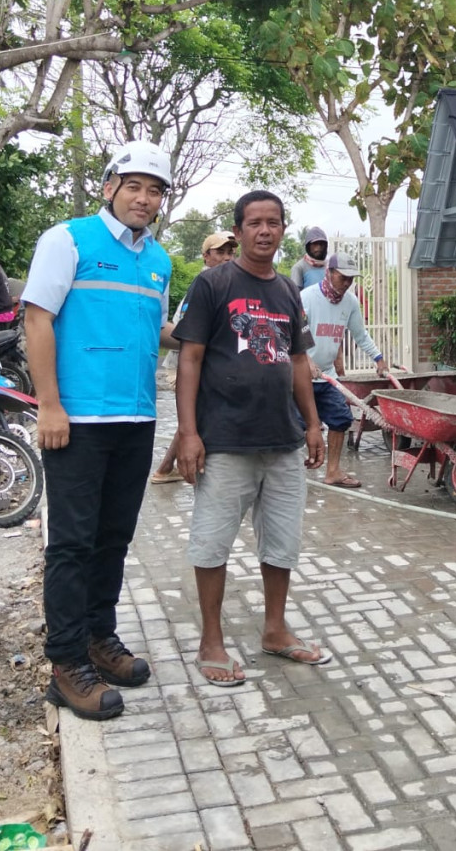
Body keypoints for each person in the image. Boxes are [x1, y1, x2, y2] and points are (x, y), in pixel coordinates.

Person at [22, 140, 175, 720]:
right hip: (77, 420)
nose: (143, 197)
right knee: (71, 544)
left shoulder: (157, 260)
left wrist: (210, 334)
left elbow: (160, 332)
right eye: (134, 185)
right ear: (109, 185)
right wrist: (49, 406)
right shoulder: (67, 240)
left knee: (113, 538)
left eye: (154, 189)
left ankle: (97, 637)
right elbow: (38, 319)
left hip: (136, 419)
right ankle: (64, 663)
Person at [173, 190, 328, 686]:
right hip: (224, 439)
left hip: (281, 439)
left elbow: (299, 361)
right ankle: (211, 641)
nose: (265, 231)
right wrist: (189, 433)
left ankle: (275, 629)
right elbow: (190, 359)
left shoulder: (286, 290)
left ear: (284, 230)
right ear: (237, 230)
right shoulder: (212, 284)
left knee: (281, 542)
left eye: (274, 222)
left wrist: (312, 423)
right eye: (255, 223)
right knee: (212, 542)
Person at [151, 230, 237, 484]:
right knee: (194, 418)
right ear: (205, 256)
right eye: (219, 252)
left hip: (202, 365)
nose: (226, 258)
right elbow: (185, 332)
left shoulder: (225, 284)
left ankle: (167, 469)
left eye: (230, 252)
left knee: (196, 417)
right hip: (184, 365)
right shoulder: (204, 284)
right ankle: (167, 468)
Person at [300, 253, 387, 489]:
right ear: (329, 273)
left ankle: (333, 471)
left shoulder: (350, 302)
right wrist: (306, 359)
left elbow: (360, 334)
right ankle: (289, 476)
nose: (347, 283)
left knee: (340, 418)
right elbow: (298, 330)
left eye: (351, 278)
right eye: (343, 277)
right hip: (300, 376)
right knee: (296, 426)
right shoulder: (307, 297)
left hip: (327, 375)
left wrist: (378, 358)